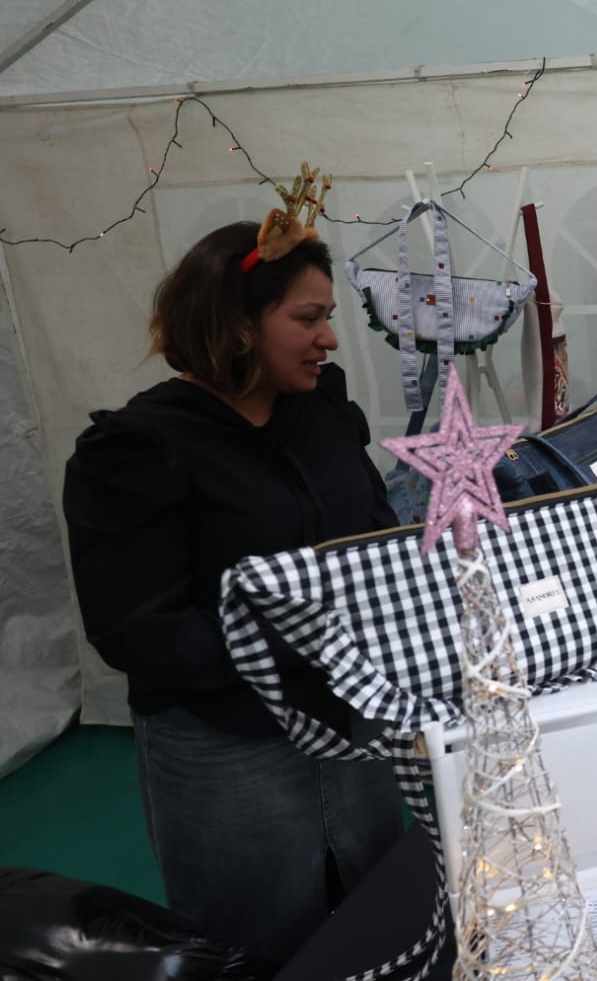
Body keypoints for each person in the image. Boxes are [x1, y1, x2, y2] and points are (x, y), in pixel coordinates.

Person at [62, 216, 407, 962]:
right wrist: (296, 654)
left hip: (351, 716)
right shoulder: (137, 449)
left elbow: (372, 538)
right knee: (261, 931)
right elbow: (135, 626)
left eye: (329, 318)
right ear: (235, 324)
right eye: (307, 319)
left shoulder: (322, 412)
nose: (330, 339)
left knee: (382, 900)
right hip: (228, 743)